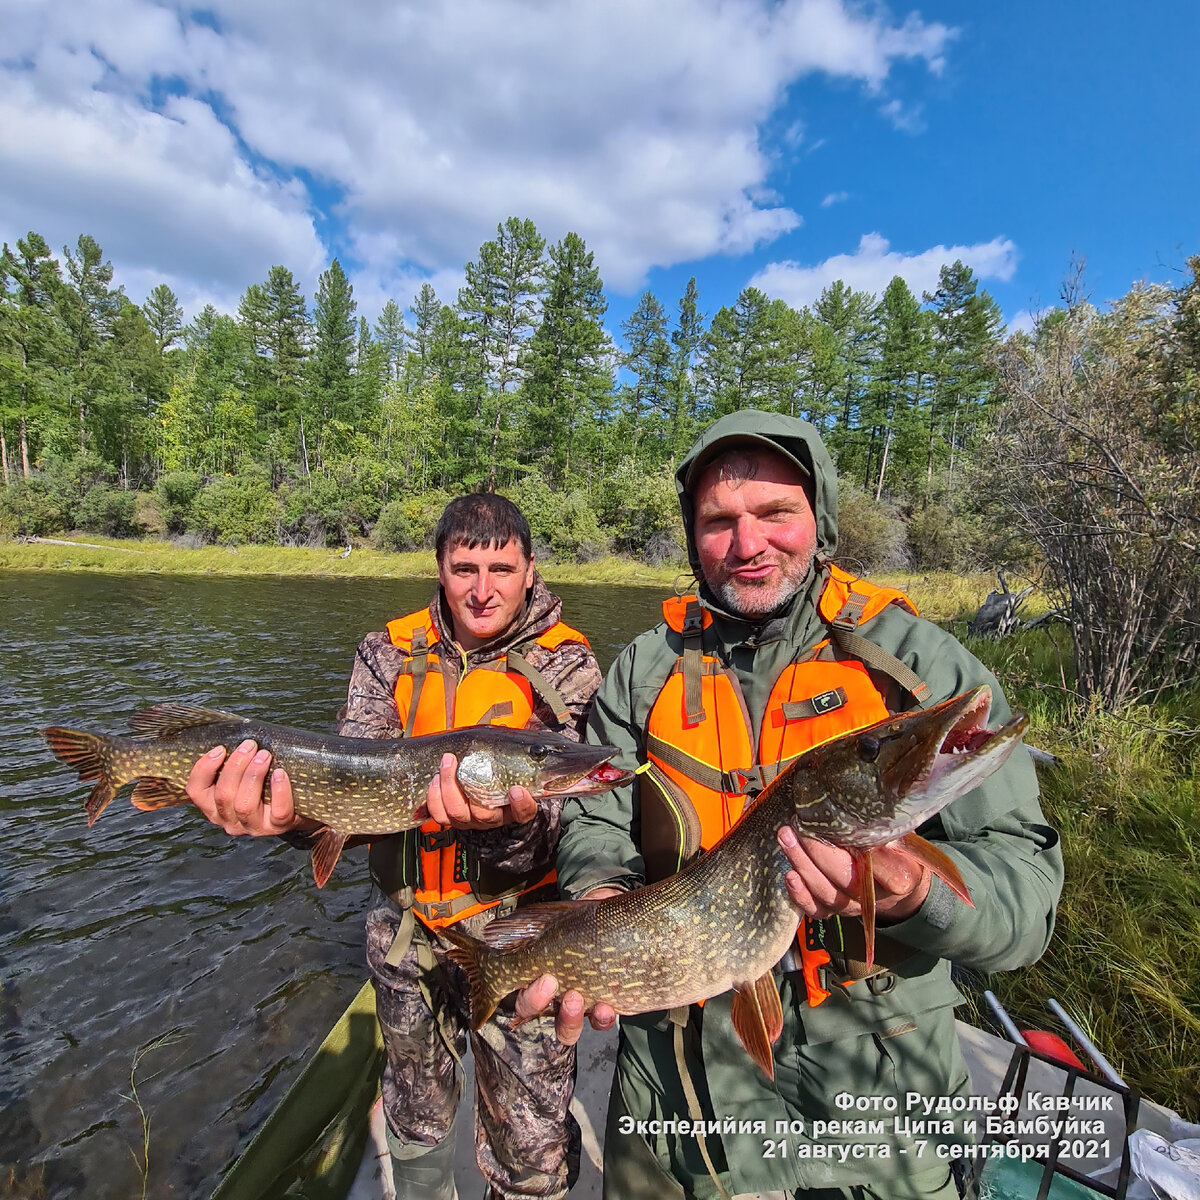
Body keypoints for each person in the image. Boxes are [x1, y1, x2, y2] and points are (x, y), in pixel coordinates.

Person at [516, 410, 1064, 1200]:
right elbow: (597, 816)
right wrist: (600, 900)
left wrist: (915, 894)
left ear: (821, 519)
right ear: (693, 535)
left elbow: (1027, 900)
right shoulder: (643, 670)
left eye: (776, 513)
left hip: (878, 1082)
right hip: (678, 1078)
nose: (747, 545)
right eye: (718, 522)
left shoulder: (917, 662)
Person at [185, 493, 603, 1200]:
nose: (481, 588)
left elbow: (582, 823)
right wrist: (288, 823)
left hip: (518, 929)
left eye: (501, 568)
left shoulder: (569, 665)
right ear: (439, 567)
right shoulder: (387, 651)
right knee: (414, 1114)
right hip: (405, 929)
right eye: (463, 567)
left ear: (531, 570)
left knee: (532, 1148)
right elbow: (346, 795)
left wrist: (504, 830)